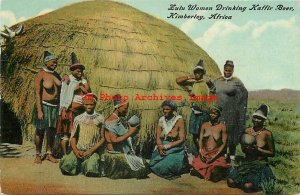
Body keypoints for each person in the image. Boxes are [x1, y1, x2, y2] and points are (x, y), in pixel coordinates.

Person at [206, 60, 248, 164]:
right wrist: (210, 85)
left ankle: (232, 158)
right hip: (219, 112)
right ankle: (222, 156)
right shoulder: (218, 80)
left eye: (229, 70)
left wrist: (239, 107)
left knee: (231, 134)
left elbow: (244, 94)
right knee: (221, 134)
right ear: (224, 69)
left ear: (232, 70)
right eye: (226, 70)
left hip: (232, 112)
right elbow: (212, 92)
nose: (227, 72)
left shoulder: (237, 82)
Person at [227, 104, 275, 193]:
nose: (256, 120)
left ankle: (260, 182)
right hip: (247, 163)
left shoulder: (267, 134)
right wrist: (245, 148)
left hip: (260, 165)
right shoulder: (247, 131)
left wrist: (259, 150)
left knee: (247, 187)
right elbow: (243, 150)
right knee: (230, 182)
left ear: (264, 120)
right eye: (255, 117)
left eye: (259, 118)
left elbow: (272, 153)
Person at [59, 93, 106, 177]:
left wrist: (90, 151)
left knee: (91, 170)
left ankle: (85, 165)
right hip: (79, 150)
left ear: (95, 104)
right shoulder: (79, 118)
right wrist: (76, 151)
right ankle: (77, 164)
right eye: (87, 104)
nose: (89, 106)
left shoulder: (100, 118)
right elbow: (73, 137)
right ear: (83, 105)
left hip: (92, 151)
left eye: (91, 104)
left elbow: (102, 138)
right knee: (67, 168)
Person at [103, 94, 149, 179]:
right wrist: (130, 132)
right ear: (117, 107)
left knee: (144, 164)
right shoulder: (112, 121)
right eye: (125, 109)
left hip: (120, 152)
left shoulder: (115, 119)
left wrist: (130, 130)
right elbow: (114, 140)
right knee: (144, 166)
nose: (126, 111)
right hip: (116, 154)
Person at [56, 52, 90, 155]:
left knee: (75, 134)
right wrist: (63, 109)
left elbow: (87, 91)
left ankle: (73, 153)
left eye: (82, 71)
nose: (80, 73)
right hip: (69, 111)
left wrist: (80, 86)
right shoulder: (67, 80)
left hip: (78, 113)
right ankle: (65, 155)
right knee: (66, 134)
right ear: (72, 71)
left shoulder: (82, 81)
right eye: (78, 71)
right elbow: (63, 95)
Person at [176, 59, 210, 155]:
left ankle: (204, 153)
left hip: (203, 112)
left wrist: (195, 97)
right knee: (194, 134)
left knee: (202, 135)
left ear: (203, 73)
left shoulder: (206, 83)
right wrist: (189, 77)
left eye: (199, 72)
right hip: (195, 112)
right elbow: (178, 81)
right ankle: (199, 153)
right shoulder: (193, 83)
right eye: (196, 72)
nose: (197, 74)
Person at [33, 51, 61, 164]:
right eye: (53, 62)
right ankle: (38, 154)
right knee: (40, 131)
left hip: (55, 107)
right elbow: (37, 94)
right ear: (46, 62)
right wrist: (39, 110)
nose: (55, 64)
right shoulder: (41, 74)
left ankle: (49, 153)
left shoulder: (56, 75)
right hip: (43, 106)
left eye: (56, 62)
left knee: (52, 131)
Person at [149, 100, 187, 180]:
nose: (165, 111)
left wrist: (166, 146)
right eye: (164, 109)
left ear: (173, 110)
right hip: (162, 146)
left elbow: (182, 139)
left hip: (175, 147)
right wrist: (159, 146)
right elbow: (158, 137)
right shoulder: (161, 120)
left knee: (166, 166)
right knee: (153, 164)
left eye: (167, 109)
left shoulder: (179, 120)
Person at [191, 106, 228, 182]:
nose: (212, 115)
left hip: (216, 155)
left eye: (215, 113)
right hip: (205, 153)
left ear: (219, 115)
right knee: (194, 171)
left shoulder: (222, 126)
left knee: (215, 177)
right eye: (211, 113)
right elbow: (200, 139)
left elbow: (223, 144)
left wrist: (215, 156)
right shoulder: (204, 125)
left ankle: (215, 171)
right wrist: (201, 152)